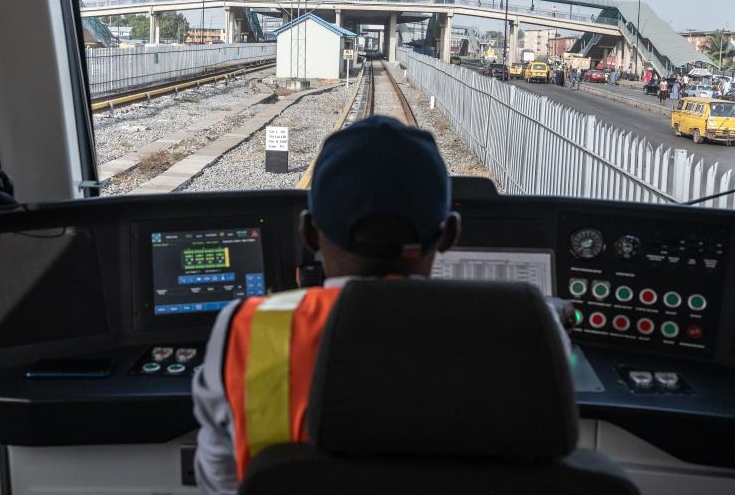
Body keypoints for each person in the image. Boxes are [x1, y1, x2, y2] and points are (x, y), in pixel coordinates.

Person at [192, 116, 574, 493]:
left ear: (308, 232)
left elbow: (222, 480)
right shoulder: (531, 329)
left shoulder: (244, 330)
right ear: (449, 235)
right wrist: (544, 317)